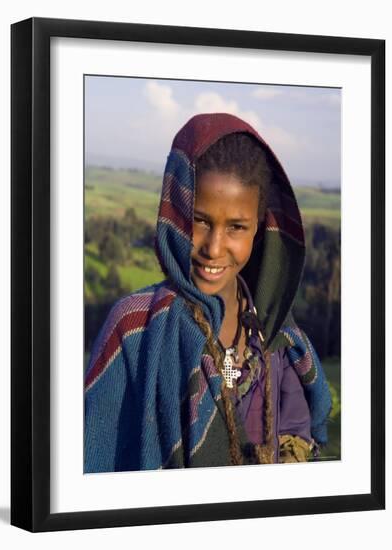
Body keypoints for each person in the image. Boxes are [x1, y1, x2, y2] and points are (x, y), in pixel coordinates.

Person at [84, 112, 332, 472]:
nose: (214, 248)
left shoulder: (278, 338)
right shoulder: (135, 329)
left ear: (258, 230)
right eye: (200, 221)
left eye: (236, 227)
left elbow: (296, 431)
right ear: (177, 212)